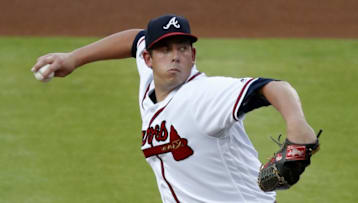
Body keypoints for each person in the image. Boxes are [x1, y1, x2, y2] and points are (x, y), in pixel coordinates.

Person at [32, 14, 318, 203]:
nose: (175, 57)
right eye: (165, 50)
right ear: (148, 59)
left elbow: (273, 87)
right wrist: (73, 58)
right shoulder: (151, 84)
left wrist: (297, 126)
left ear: (193, 55)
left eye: (182, 48)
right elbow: (135, 39)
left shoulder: (205, 95)